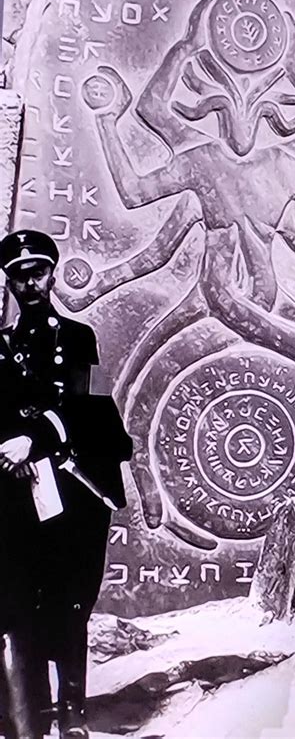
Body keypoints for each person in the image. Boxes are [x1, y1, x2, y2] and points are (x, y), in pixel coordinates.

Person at [0, 230, 133, 738]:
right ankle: (29, 717)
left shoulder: (75, 337)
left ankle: (73, 715)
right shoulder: (2, 344)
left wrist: (33, 440)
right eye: (19, 276)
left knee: (70, 598)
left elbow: (79, 405)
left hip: (68, 485)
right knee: (20, 600)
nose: (29, 283)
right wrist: (9, 448)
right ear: (9, 283)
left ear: (52, 275)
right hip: (16, 488)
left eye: (37, 272)